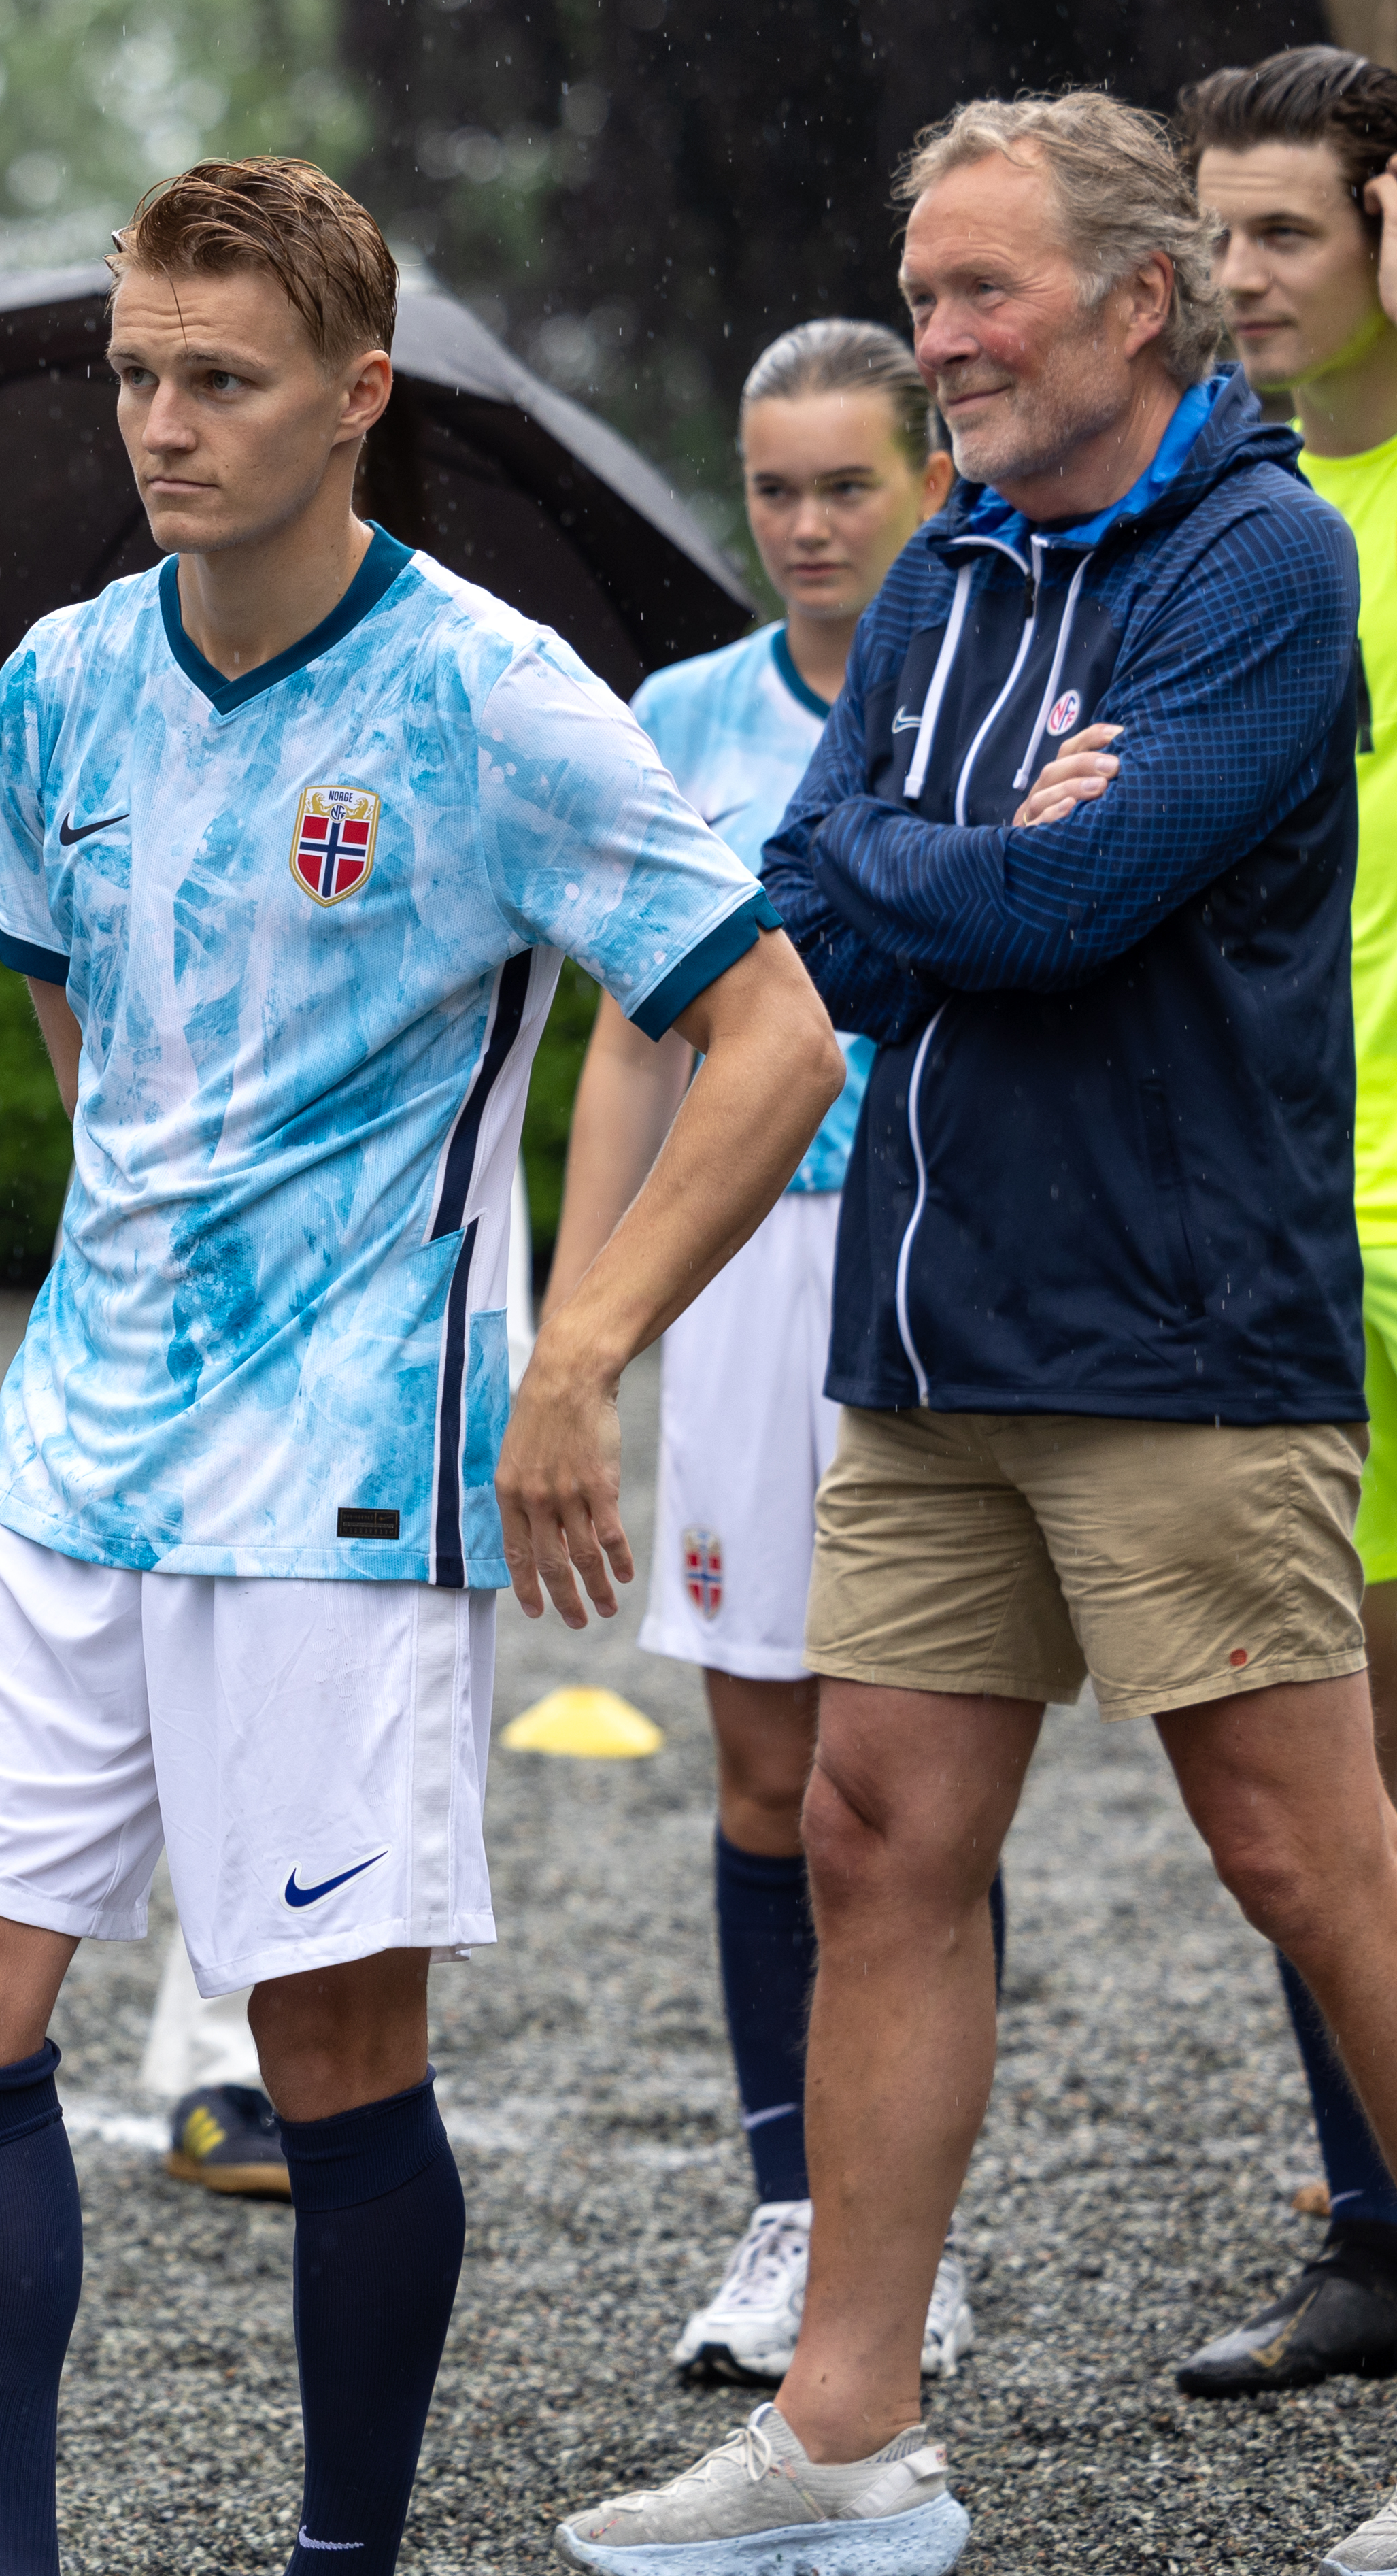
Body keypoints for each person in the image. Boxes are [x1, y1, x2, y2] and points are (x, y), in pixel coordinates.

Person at [0, 158, 841, 2576]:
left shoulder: (500, 696)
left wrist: (581, 1347)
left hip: (345, 1475)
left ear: (354, 397)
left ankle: (341, 2552)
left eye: (221, 380)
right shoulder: (63, 675)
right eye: (136, 377)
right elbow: (72, 1012)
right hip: (70, 1450)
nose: (163, 426)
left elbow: (774, 1029)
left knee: (326, 2057)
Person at [562, 94, 1397, 2576]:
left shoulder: (1264, 560)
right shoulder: (948, 583)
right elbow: (819, 894)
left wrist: (981, 866)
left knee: (1308, 1856)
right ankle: (846, 2437)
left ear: (1139, 303)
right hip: (925, 1331)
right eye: (921, 295)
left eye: (982, 295)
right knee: (874, 1838)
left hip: (1183, 1336)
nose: (940, 341)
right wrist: (986, 847)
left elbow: (1068, 904)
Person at [544, 317, 973, 2390]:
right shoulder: (682, 714)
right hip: (733, 1280)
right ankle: (792, 2204)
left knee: (910, 1784)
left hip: (931, 1269)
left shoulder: (990, 672)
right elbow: (631, 1042)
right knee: (765, 1773)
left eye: (848, 488)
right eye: (776, 489)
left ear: (932, 479)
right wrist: (584, 1317)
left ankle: (917, 2237)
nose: (806, 529)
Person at [1173, 41, 1397, 2407]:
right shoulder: (1226, 521)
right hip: (1276, 1226)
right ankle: (1374, 2233)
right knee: (1307, 1787)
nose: (1240, 280)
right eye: (1216, 237)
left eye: (1292, 234)